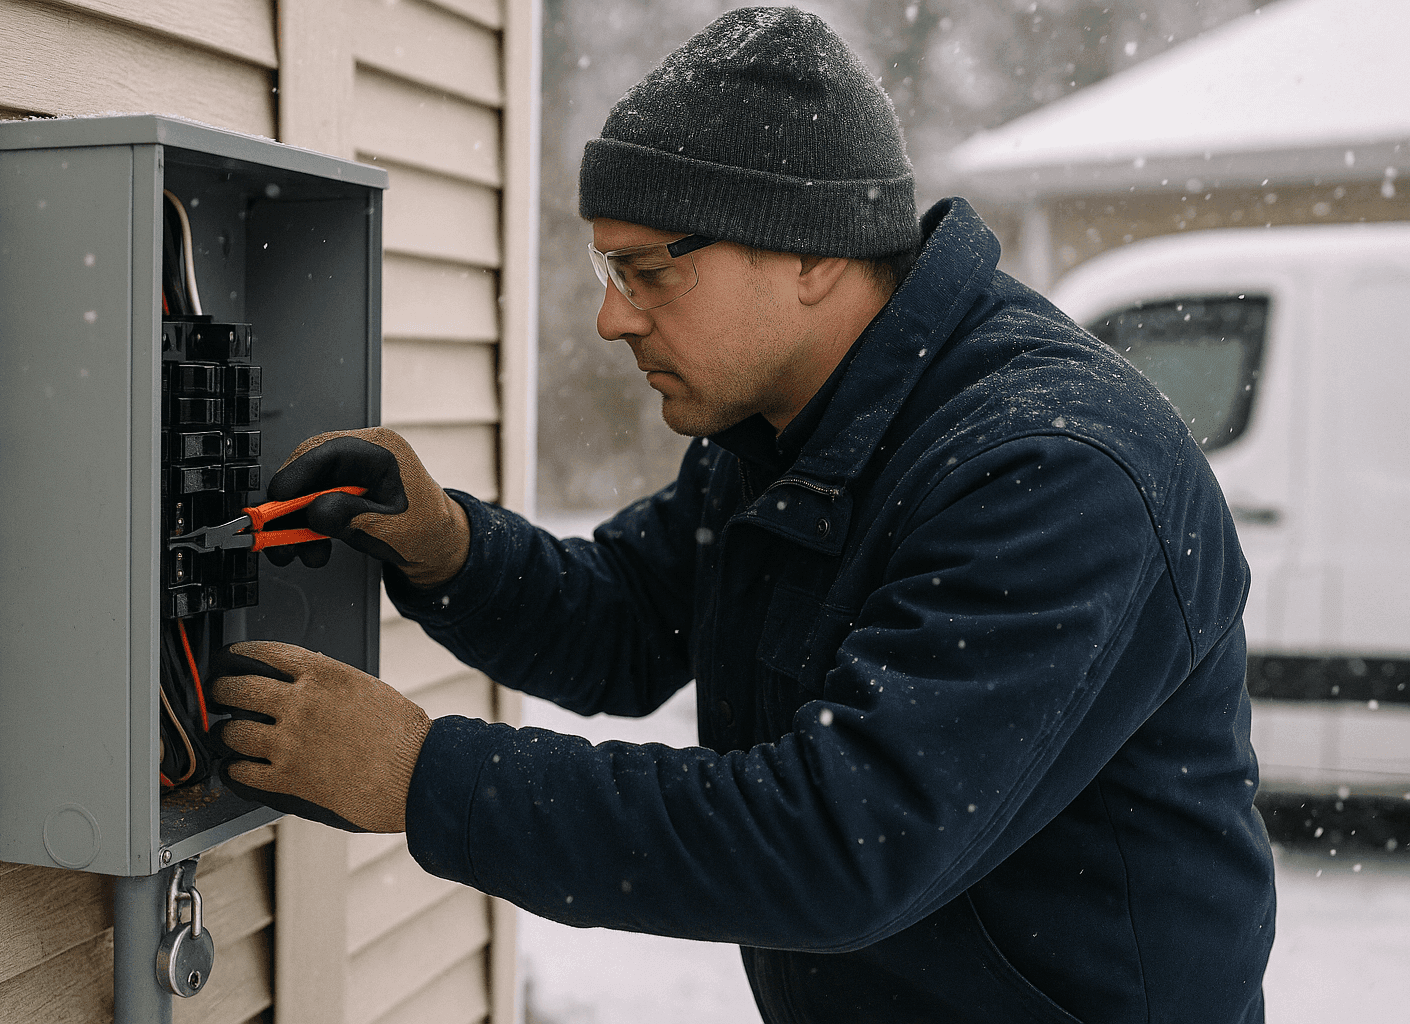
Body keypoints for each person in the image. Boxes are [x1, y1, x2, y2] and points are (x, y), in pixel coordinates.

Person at [211, 7, 1276, 1022]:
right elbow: (632, 622)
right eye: (605, 266)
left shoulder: (1052, 471)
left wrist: (425, 776)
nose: (610, 316)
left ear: (809, 252)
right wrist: (451, 547)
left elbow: (843, 838)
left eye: (647, 270)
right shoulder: (791, 432)